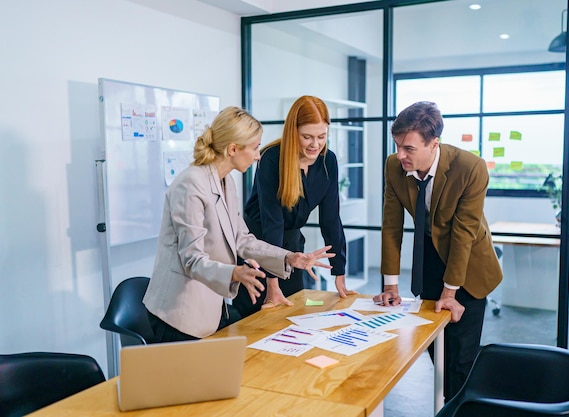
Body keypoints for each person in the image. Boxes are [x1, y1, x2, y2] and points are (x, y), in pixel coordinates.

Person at [143, 106, 335, 343]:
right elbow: (192, 260)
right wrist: (235, 272)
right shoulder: (190, 184)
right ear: (233, 149)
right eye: (254, 148)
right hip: (178, 312)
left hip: (210, 306)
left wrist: (288, 257)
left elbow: (242, 239)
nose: (258, 156)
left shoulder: (226, 182)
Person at [374, 101, 502, 401]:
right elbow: (391, 225)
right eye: (396, 146)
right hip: (429, 259)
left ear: (434, 144)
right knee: (437, 348)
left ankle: (461, 407)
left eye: (408, 148)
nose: (400, 155)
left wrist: (450, 292)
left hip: (469, 265)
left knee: (460, 360)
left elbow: (463, 234)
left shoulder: (470, 167)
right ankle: (450, 403)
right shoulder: (394, 166)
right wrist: (390, 283)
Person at [233, 95, 356, 318]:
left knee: (293, 315)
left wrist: (340, 272)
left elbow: (331, 220)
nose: (315, 144)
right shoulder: (271, 159)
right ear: (293, 132)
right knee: (258, 319)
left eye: (322, 136)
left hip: (292, 247)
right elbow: (273, 223)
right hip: (259, 249)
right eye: (307, 137)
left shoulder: (328, 161)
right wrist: (273, 283)